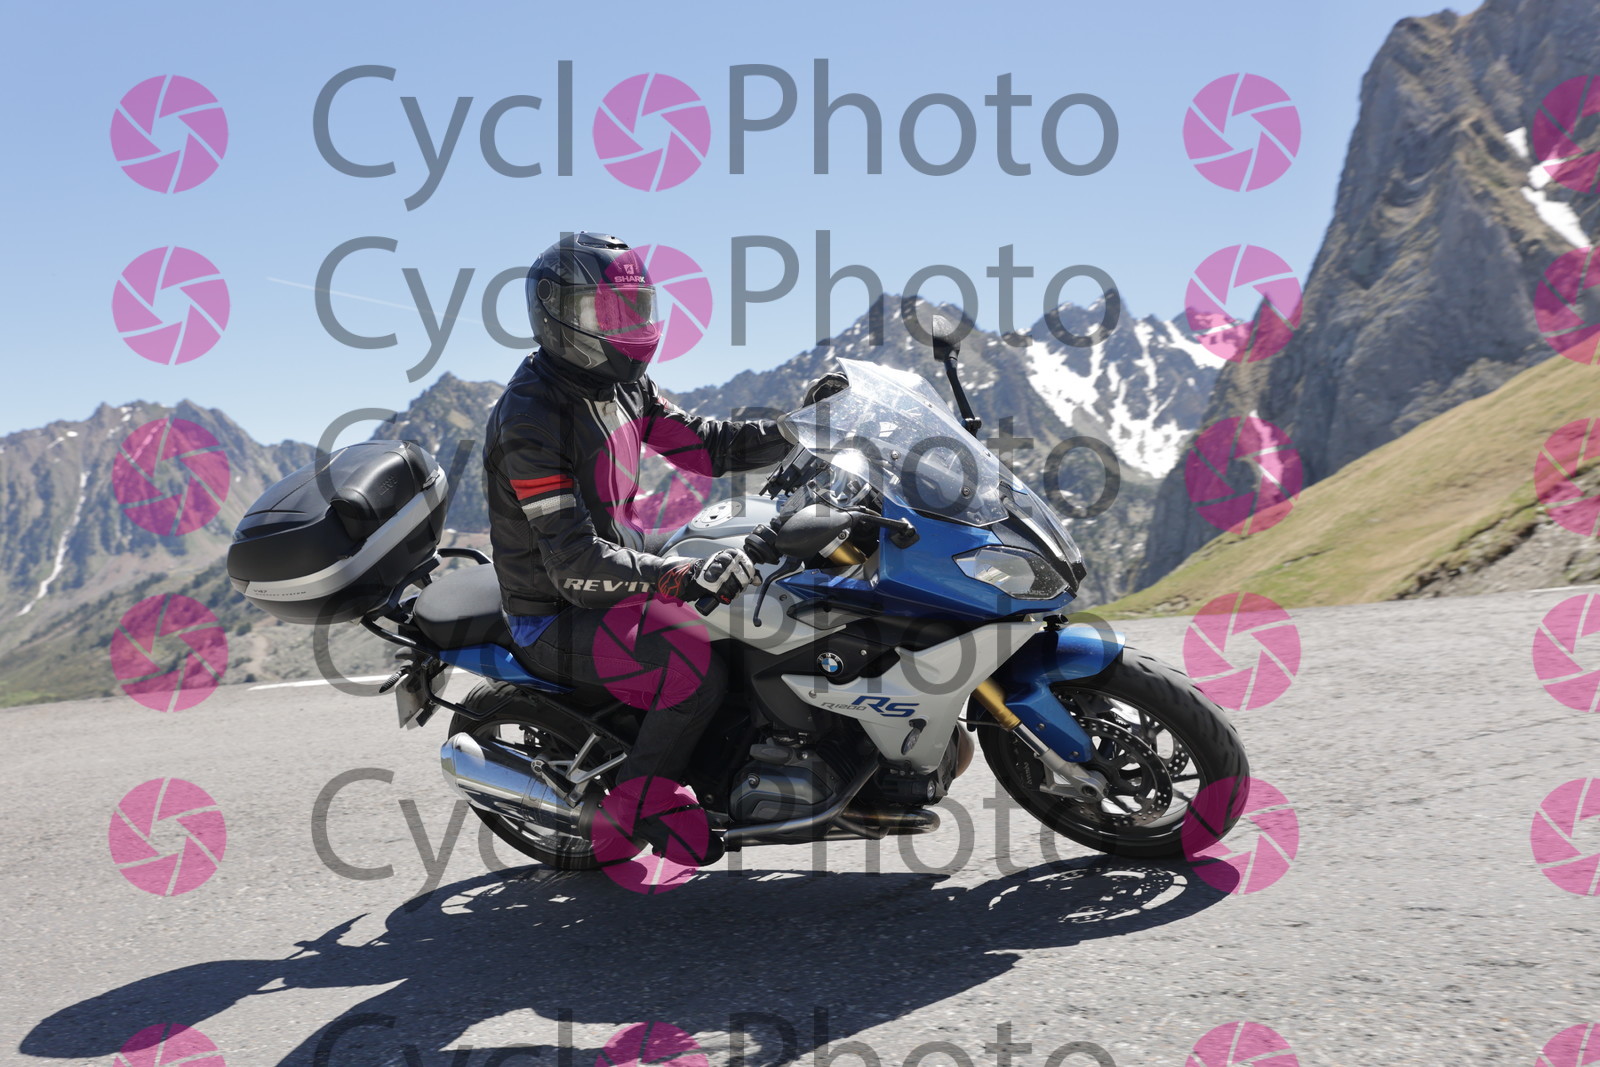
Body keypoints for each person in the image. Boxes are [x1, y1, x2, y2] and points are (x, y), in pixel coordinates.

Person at [482, 231, 837, 859]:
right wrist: (679, 577)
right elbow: (572, 563)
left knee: (762, 600)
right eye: (607, 312)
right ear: (557, 315)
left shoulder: (621, 385)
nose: (627, 326)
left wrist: (801, 430)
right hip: (557, 611)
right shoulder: (531, 419)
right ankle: (639, 806)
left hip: (617, 568)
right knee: (691, 672)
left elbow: (707, 445)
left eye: (635, 308)